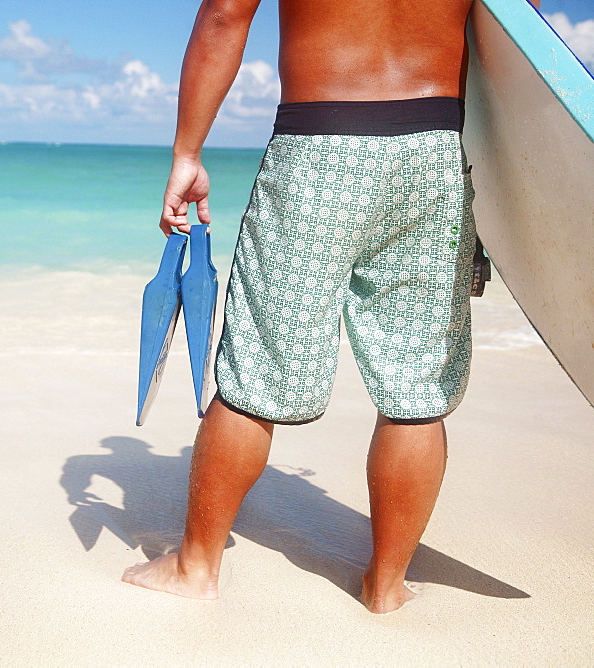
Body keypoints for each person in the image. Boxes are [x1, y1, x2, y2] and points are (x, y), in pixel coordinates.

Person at [122, 0, 479, 613]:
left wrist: (188, 153)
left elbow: (225, 17)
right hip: (435, 149)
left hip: (318, 143)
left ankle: (196, 566)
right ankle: (386, 585)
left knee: (259, 366)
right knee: (416, 382)